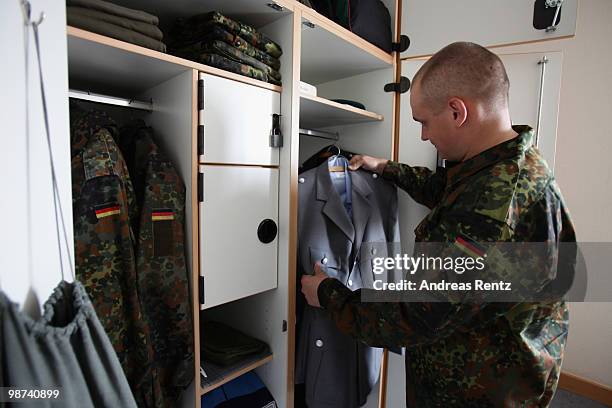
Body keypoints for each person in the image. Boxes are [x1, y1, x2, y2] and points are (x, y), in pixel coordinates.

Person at [300, 42, 576, 407]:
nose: (424, 136)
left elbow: (416, 317)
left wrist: (327, 294)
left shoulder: (492, 204)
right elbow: (447, 192)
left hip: (478, 389)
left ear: (458, 111)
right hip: (504, 364)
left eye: (424, 122)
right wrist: (386, 168)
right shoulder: (510, 164)